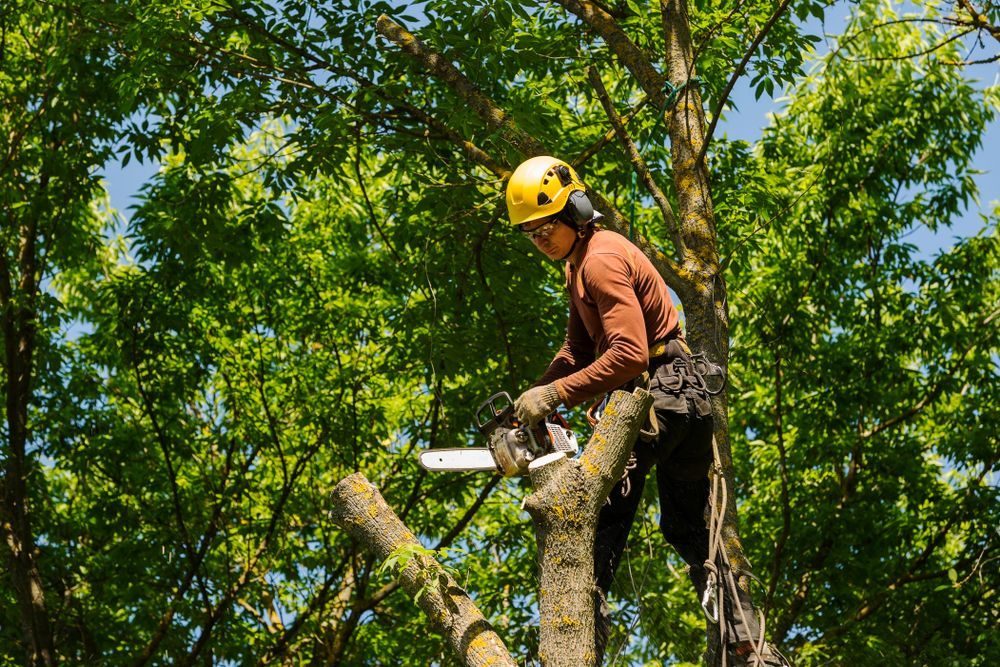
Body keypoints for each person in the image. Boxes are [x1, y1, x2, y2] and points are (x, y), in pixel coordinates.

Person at [505, 156, 789, 666]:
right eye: (530, 233)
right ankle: (747, 643)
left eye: (546, 226)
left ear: (575, 211)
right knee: (687, 528)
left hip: (659, 399)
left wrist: (556, 397)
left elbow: (629, 353)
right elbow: (577, 352)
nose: (540, 239)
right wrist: (537, 393)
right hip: (685, 403)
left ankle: (580, 639)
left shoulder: (600, 260)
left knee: (591, 518)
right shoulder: (579, 265)